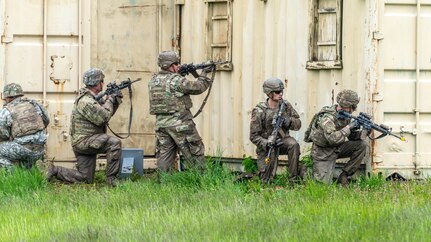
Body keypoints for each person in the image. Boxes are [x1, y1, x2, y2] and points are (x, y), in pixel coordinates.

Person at [46, 68, 123, 187]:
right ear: (97, 83)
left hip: (87, 141)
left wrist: (115, 100)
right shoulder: (86, 101)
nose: (103, 84)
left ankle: (54, 170)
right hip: (85, 142)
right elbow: (103, 118)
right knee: (114, 143)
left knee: (85, 178)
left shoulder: (92, 99)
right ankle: (112, 181)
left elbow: (107, 113)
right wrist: (110, 99)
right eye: (102, 81)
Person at [148, 50, 213, 173]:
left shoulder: (153, 80)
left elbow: (171, 92)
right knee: (195, 152)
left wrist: (181, 73)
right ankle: (201, 181)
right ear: (169, 65)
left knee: (164, 156)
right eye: (176, 63)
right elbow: (198, 87)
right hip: (180, 124)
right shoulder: (176, 80)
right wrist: (204, 73)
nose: (178, 66)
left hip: (161, 124)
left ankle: (163, 183)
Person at [308, 89, 368, 185]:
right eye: (353, 107)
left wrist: (365, 131)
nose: (354, 109)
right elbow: (333, 139)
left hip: (338, 148)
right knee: (322, 185)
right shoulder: (327, 117)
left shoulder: (346, 115)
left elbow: (349, 135)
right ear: (347, 106)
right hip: (324, 152)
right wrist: (349, 127)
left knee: (361, 145)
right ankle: (303, 171)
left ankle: (344, 176)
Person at [250, 77, 302, 182]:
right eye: (277, 92)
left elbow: (298, 124)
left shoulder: (285, 105)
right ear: (269, 93)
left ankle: (293, 180)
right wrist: (267, 142)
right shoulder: (259, 110)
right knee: (265, 180)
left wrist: (289, 121)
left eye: (281, 91)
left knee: (294, 145)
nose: (281, 94)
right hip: (267, 145)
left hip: (283, 140)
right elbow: (253, 136)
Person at [0, 83, 49, 169]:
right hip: (40, 148)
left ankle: (12, 176)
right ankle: (32, 171)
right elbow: (46, 120)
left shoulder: (6, 111)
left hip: (22, 149)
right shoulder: (35, 104)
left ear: (8, 97)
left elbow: (3, 134)